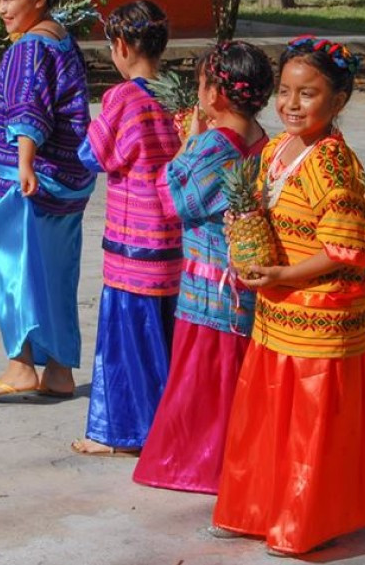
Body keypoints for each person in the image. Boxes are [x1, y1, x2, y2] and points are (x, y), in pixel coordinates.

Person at [210, 36, 365, 557]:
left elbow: (346, 251)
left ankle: (305, 521)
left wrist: (282, 274)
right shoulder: (276, 150)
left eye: (308, 94)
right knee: (270, 413)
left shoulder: (334, 163)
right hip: (278, 301)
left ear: (337, 101)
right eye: (286, 92)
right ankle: (258, 508)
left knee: (308, 425)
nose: (292, 105)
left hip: (320, 307)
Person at [131, 41, 272, 490]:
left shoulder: (213, 143)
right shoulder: (263, 140)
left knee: (202, 377)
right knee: (235, 374)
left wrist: (187, 143)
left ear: (214, 95)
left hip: (209, 286)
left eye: (200, 84)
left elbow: (174, 200)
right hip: (245, 282)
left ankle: (195, 465)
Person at [0, 0, 95, 401]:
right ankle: (60, 371)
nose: (1, 9)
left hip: (32, 179)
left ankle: (22, 363)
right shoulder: (60, 38)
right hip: (69, 180)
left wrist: (25, 163)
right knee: (55, 274)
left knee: (10, 267)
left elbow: (30, 109)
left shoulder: (29, 48)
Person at [70, 1, 183, 455]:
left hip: (132, 242)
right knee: (165, 338)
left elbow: (91, 156)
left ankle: (124, 433)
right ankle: (168, 426)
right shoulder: (179, 96)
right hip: (173, 240)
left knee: (125, 343)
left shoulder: (123, 99)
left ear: (120, 46)